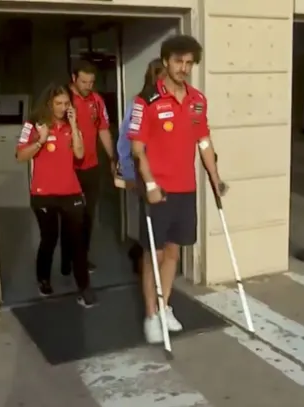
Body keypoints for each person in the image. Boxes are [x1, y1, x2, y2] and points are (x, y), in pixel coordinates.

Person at [127, 35, 226, 343]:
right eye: (178, 61)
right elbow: (137, 149)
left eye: (189, 63)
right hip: (158, 190)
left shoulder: (197, 100)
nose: (183, 68)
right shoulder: (146, 101)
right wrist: (150, 184)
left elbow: (204, 141)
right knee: (153, 255)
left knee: (173, 252)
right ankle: (150, 315)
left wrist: (215, 177)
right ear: (166, 61)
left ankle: (164, 306)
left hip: (185, 189)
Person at [16, 83, 97, 308]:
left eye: (66, 103)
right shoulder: (33, 124)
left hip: (70, 191)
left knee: (77, 241)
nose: (62, 107)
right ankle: (43, 278)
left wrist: (74, 124)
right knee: (49, 238)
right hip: (43, 193)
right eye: (58, 103)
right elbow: (20, 156)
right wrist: (40, 140)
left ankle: (84, 287)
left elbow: (79, 154)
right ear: (49, 104)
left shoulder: (72, 125)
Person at [61, 60, 116, 276]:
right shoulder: (64, 99)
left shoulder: (97, 100)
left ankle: (82, 258)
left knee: (87, 216)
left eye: (91, 82)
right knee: (70, 217)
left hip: (91, 167)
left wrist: (113, 158)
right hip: (68, 169)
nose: (88, 86)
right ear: (74, 78)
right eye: (84, 82)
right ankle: (67, 259)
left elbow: (103, 130)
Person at [116, 58, 166, 275]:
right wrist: (129, 174)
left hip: (168, 173)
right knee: (151, 228)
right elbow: (124, 143)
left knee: (164, 228)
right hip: (146, 173)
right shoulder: (139, 103)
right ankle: (145, 267)